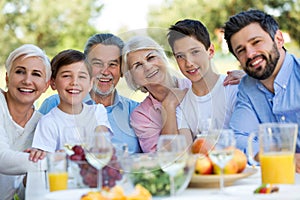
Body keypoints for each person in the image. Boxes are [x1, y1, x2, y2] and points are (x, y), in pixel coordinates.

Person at [122, 36, 242, 153]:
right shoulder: (141, 116)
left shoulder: (194, 82)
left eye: (151, 58)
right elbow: (163, 159)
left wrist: (248, 80)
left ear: (163, 58)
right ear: (131, 77)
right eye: (138, 65)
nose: (147, 67)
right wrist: (168, 105)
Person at [38, 33, 141, 153]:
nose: (105, 71)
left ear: (122, 70)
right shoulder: (54, 104)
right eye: (97, 63)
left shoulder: (136, 111)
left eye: (112, 64)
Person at [223, 9, 300, 170]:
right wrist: (283, 159)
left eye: (256, 42)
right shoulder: (247, 87)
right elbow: (238, 139)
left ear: (278, 39)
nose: (250, 54)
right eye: (241, 50)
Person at [30, 49, 111, 154]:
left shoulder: (97, 111)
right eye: (66, 76)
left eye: (81, 76)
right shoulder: (48, 123)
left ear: (90, 84)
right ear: (53, 83)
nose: (74, 82)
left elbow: (102, 145)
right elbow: (47, 161)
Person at [167, 19, 239, 138]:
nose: (188, 63)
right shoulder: (182, 105)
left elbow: (243, 139)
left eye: (195, 52)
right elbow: (186, 150)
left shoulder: (234, 88)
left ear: (210, 51)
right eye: (180, 56)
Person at [0, 44, 51, 200]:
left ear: (46, 85)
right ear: (7, 78)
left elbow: (22, 193)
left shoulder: (41, 124)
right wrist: (54, 161)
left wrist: (34, 177)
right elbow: (2, 159)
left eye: (36, 74)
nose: (27, 81)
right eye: (20, 72)